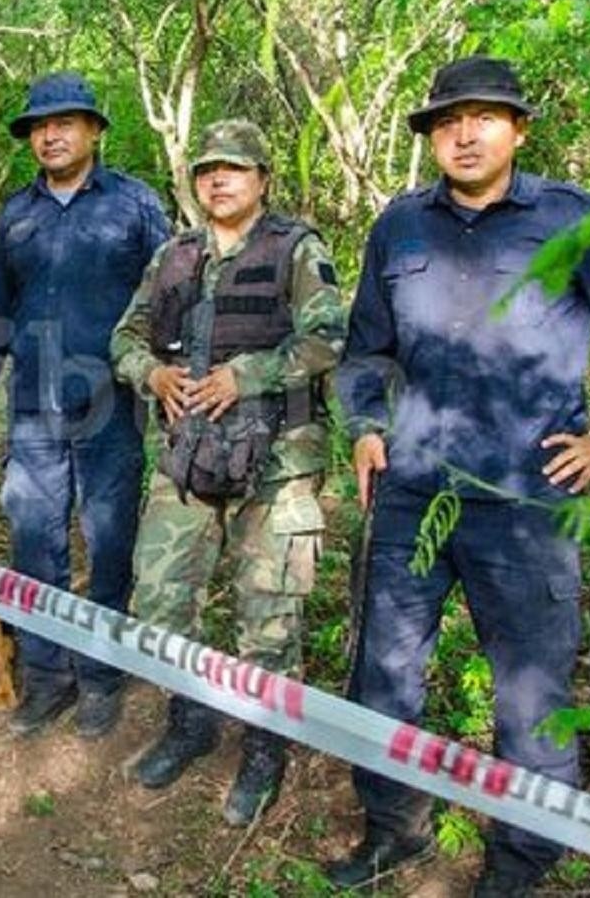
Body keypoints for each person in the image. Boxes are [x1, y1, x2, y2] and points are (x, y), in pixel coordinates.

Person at [326, 57, 590, 895]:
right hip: (412, 491)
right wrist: (366, 427)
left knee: (530, 699)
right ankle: (396, 829)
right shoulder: (399, 227)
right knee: (384, 673)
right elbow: (366, 351)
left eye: (485, 116)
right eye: (447, 121)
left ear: (518, 129)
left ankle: (519, 864)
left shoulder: (573, 221)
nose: (464, 133)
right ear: (429, 137)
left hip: (527, 503)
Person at [110, 119, 345, 824]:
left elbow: (329, 337)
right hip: (188, 458)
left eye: (234, 168)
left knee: (268, 617)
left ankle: (264, 751)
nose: (218, 179)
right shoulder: (174, 255)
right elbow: (123, 336)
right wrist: (151, 373)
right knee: (159, 600)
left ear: (262, 179)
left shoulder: (297, 249)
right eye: (208, 168)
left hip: (277, 464)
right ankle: (190, 721)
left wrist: (248, 375)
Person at [0, 72, 170, 738]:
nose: (50, 135)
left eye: (64, 123)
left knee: (110, 541)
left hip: (111, 404)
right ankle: (48, 678)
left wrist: (168, 380)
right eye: (39, 127)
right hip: (33, 406)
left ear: (94, 131)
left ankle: (102, 675)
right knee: (34, 541)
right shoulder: (15, 214)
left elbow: (171, 297)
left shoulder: (136, 206)